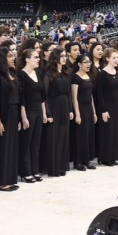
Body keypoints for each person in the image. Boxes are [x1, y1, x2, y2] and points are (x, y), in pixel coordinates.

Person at [0, 47, 21, 191]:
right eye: (9, 56)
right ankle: (1, 180)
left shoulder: (13, 73)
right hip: (3, 114)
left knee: (12, 148)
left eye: (13, 55)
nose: (13, 58)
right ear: (2, 59)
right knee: (2, 148)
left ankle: (9, 177)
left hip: (14, 113)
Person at [41, 48, 73, 177]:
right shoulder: (48, 74)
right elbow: (45, 96)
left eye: (65, 55)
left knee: (63, 137)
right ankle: (53, 167)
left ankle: (61, 166)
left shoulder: (67, 72)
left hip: (65, 106)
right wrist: (48, 113)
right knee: (54, 138)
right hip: (54, 107)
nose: (64, 58)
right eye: (62, 56)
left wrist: (71, 109)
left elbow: (69, 93)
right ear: (55, 58)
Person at [18, 48, 47, 182]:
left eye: (38, 57)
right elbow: (21, 98)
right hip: (28, 111)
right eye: (35, 57)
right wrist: (23, 117)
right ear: (27, 59)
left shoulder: (39, 72)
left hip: (38, 111)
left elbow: (42, 96)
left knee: (36, 142)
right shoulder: (21, 75)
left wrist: (44, 113)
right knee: (26, 142)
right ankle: (25, 171)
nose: (38, 59)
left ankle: (35, 170)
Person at [96, 48, 118, 165]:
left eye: (117, 57)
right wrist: (103, 110)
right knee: (106, 132)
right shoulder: (102, 73)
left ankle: (113, 156)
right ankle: (105, 158)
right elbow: (99, 93)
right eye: (114, 58)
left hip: (116, 105)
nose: (116, 60)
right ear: (107, 59)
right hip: (106, 105)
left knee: (114, 132)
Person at [72, 54, 97, 170]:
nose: (88, 64)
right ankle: (78, 161)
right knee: (80, 135)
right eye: (85, 62)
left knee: (89, 134)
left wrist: (94, 112)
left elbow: (91, 95)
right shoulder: (75, 77)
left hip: (88, 108)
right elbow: (74, 97)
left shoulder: (89, 76)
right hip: (80, 107)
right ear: (79, 64)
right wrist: (77, 114)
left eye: (89, 62)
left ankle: (87, 160)